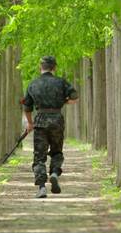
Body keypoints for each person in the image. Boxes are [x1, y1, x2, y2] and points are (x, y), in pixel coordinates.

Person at [22, 56, 79, 198]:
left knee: (39, 157)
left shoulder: (33, 84)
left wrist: (30, 123)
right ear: (54, 68)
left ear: (40, 68)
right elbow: (75, 97)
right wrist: (63, 101)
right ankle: (54, 173)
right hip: (57, 121)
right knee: (56, 152)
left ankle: (41, 187)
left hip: (40, 121)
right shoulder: (61, 82)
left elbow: (26, 106)